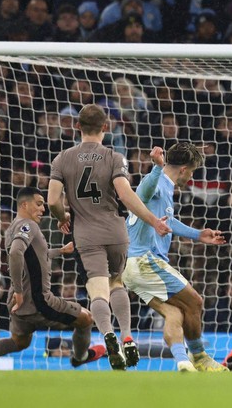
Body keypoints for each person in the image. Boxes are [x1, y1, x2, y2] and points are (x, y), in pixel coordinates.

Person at [47, 104, 171, 371]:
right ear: (105, 127)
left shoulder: (62, 159)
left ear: (77, 126)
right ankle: (127, 335)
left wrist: (62, 217)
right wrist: (153, 221)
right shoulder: (115, 157)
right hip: (116, 231)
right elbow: (125, 195)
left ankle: (108, 334)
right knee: (117, 284)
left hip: (86, 234)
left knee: (98, 291)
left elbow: (53, 200)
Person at [0, 187, 104, 369]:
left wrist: (61, 251)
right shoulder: (28, 226)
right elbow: (16, 253)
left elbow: (32, 256)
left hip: (17, 301)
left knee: (19, 342)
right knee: (86, 319)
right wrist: (19, 292)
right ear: (25, 205)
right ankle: (80, 357)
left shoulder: (12, 228)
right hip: (37, 300)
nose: (43, 208)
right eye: (39, 204)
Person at [122, 144, 228, 372]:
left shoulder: (165, 188)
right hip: (145, 261)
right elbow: (140, 195)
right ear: (183, 169)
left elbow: (168, 221)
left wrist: (198, 234)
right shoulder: (158, 182)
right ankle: (199, 356)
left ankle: (182, 362)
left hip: (132, 267)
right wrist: (156, 168)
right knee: (195, 302)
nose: (191, 178)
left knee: (174, 313)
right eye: (192, 172)